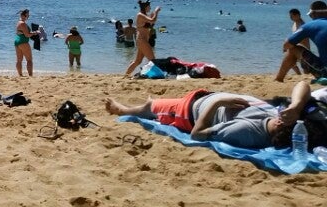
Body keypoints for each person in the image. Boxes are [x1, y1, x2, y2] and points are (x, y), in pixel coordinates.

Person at [105, 81, 322, 151]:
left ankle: (122, 109)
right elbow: (303, 84)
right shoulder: (283, 116)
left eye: (283, 121)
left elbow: (197, 134)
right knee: (156, 104)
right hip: (206, 98)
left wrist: (219, 102)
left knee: (151, 107)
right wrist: (295, 106)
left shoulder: (247, 132)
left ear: (278, 128)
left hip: (189, 110)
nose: (282, 117)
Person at [275, 0, 327, 82]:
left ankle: (279, 79)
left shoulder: (309, 26)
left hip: (324, 72)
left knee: (293, 49)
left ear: (312, 14)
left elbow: (287, 44)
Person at [125, 0, 161, 77]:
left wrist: (152, 15)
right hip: (142, 40)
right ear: (145, 7)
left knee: (137, 61)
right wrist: (156, 12)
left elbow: (151, 23)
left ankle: (126, 75)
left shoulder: (144, 15)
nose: (150, 8)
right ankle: (152, 75)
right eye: (149, 7)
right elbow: (152, 20)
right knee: (153, 60)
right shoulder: (140, 15)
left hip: (142, 40)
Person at [14, 9, 34, 76]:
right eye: (27, 15)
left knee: (19, 60)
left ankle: (20, 75)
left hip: (17, 41)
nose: (28, 16)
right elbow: (27, 35)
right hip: (23, 41)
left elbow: (23, 33)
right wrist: (35, 33)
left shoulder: (19, 22)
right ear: (24, 15)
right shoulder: (22, 23)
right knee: (29, 60)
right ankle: (30, 75)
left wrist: (32, 33)